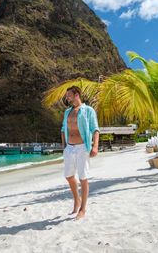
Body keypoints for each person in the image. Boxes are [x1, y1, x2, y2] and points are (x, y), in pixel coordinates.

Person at [61, 85, 100, 220]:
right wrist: (64, 146)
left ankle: (82, 209)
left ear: (77, 95)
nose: (67, 97)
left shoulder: (88, 110)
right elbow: (63, 129)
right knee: (69, 176)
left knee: (83, 177)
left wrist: (95, 146)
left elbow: (95, 129)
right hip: (70, 148)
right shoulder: (67, 112)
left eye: (69, 95)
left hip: (83, 147)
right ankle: (77, 199)